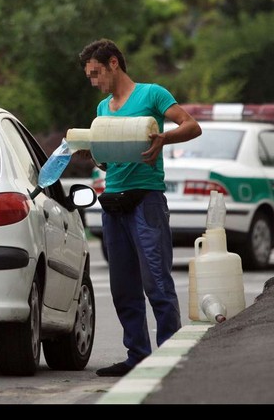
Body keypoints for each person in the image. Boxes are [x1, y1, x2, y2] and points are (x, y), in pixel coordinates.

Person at [78, 38, 201, 377]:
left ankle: (170, 357)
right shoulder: (104, 109)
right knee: (123, 286)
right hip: (114, 201)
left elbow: (192, 125)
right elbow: (111, 162)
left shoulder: (152, 94)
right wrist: (96, 155)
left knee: (156, 281)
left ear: (114, 63)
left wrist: (164, 138)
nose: (94, 81)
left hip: (146, 199)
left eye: (96, 73)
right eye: (89, 76)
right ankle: (138, 355)